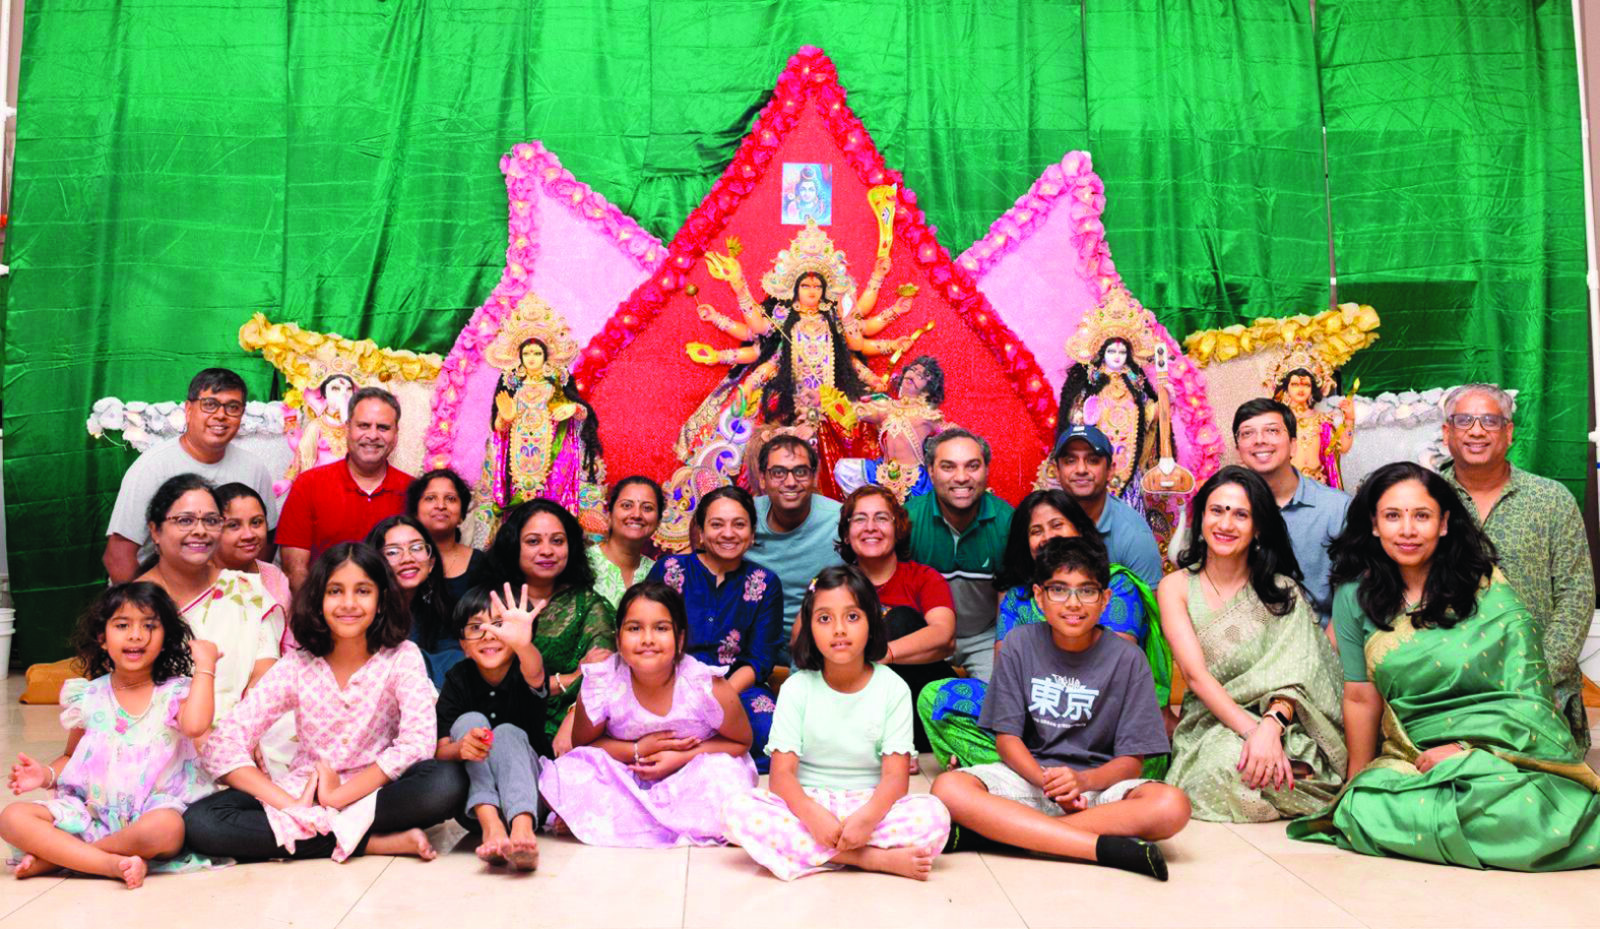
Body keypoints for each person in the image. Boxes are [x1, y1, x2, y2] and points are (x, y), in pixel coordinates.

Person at [1287, 462, 1600, 870]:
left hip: (1497, 755)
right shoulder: (1354, 594)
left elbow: (1527, 692)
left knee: (1520, 803)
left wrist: (1467, 750)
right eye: (1393, 516)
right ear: (1375, 525)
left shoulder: (1485, 588)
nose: (1408, 530)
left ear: (1444, 523)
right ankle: (1485, 834)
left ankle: (1456, 825)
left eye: (1422, 516)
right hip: (1413, 754)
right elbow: (1361, 695)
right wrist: (1354, 780)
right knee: (1362, 806)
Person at [184, 543, 467, 863]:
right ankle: (368, 842)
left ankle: (331, 834)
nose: (348, 603)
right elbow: (223, 742)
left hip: (378, 794)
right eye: (335, 591)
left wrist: (338, 797)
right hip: (305, 794)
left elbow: (418, 743)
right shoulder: (297, 665)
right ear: (318, 599)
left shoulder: (402, 656)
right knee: (201, 822)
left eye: (363, 591)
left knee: (446, 783)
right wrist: (291, 805)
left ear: (381, 600)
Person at [930, 538, 1189, 881]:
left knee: (1172, 805)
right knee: (947, 788)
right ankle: (1098, 848)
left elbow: (1131, 761)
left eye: (1087, 591)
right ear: (1039, 597)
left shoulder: (1129, 659)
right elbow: (1007, 740)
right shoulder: (1019, 643)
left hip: (1097, 786)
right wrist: (1047, 782)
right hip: (1031, 779)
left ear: (1105, 599)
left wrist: (1082, 781)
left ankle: (1009, 835)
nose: (1073, 603)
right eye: (1059, 590)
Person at [722, 566, 951, 881]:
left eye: (852, 617)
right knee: (738, 809)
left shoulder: (893, 687)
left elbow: (895, 778)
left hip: (870, 803)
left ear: (872, 623)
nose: (839, 629)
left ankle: (810, 852)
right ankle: (869, 859)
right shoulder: (797, 687)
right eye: (825, 619)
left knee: (935, 816)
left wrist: (867, 819)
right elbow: (782, 776)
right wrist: (813, 816)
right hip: (808, 803)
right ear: (809, 629)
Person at [918, 489, 1168, 773]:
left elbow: (1111, 681)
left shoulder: (1112, 585)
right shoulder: (1019, 596)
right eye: (1036, 531)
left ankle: (1014, 773)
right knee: (937, 696)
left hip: (1099, 726)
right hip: (1036, 719)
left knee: (1142, 761)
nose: (1048, 536)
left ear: (1080, 530)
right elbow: (1004, 685)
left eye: (1057, 525)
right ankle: (1045, 775)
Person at [1157, 466, 1345, 822]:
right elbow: (1196, 677)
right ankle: (1273, 781)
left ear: (1258, 527)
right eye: (1217, 511)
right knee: (1222, 763)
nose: (1226, 524)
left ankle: (1275, 775)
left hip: (1283, 721)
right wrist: (1252, 732)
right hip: (1211, 720)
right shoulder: (1176, 587)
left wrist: (1270, 728)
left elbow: (1299, 676)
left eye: (1241, 515)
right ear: (1201, 519)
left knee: (1300, 765)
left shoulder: (1282, 591)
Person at [0, 583, 217, 887]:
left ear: (165, 638)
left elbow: (195, 726)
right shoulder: (87, 696)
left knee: (166, 828)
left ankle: (60, 859)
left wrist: (205, 668)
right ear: (102, 638)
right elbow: (72, 756)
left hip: (151, 813)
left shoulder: (176, 691)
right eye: (122, 625)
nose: (136, 635)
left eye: (149, 626)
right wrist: (45, 775)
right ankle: (109, 864)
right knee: (11, 817)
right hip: (91, 812)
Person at [540, 582, 758, 847]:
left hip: (692, 774)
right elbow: (585, 747)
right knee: (572, 770)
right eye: (634, 628)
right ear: (618, 639)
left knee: (725, 775)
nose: (647, 639)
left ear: (680, 640)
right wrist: (637, 749)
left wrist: (681, 757)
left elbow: (741, 742)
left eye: (661, 628)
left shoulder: (704, 684)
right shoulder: (602, 681)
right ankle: (644, 820)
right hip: (628, 774)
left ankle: (603, 821)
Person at [1437, 384, 1594, 749]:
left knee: (1535, 779)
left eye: (1490, 421)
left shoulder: (1551, 499)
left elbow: (1576, 595)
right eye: (1464, 420)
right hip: (1444, 683)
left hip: (1539, 683)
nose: (1477, 431)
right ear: (1447, 432)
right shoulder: (1424, 499)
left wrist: (1536, 675)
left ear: (1509, 432)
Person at [135, 475, 286, 729]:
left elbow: (265, 671)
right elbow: (128, 689)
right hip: (161, 731)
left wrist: (242, 733)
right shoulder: (133, 603)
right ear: (155, 531)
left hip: (244, 726)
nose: (200, 531)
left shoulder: (244, 590)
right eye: (185, 520)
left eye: (211, 520)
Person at [647, 487, 781, 767]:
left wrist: (719, 700)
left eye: (739, 524)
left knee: (767, 732)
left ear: (752, 533)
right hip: (670, 684)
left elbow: (760, 660)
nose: (728, 533)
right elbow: (647, 634)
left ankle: (700, 761)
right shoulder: (669, 570)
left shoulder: (766, 582)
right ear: (701, 531)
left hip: (736, 688)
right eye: (717, 524)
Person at [103, 368, 276, 583]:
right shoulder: (151, 468)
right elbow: (118, 557)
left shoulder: (254, 468)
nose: (220, 415)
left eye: (233, 407)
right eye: (209, 405)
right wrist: (149, 602)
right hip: (157, 590)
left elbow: (268, 539)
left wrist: (246, 589)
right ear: (188, 409)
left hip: (227, 591)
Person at [434, 585, 549, 871]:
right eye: (476, 627)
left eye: (499, 625)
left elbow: (535, 670)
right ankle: (491, 827)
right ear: (462, 643)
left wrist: (523, 644)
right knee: (469, 722)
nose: (488, 634)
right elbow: (440, 750)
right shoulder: (457, 678)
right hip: (474, 809)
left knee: (507, 733)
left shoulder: (525, 669)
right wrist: (462, 748)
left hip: (531, 797)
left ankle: (522, 830)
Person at [489, 499, 616, 752]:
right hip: (499, 724)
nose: (547, 551)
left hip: (570, 732)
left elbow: (603, 673)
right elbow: (486, 681)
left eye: (557, 541)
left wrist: (573, 717)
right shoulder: (491, 602)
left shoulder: (588, 606)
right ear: (514, 545)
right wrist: (569, 678)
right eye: (533, 541)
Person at [835, 485, 955, 748]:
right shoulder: (834, 584)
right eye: (860, 519)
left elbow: (944, 634)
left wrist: (885, 654)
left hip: (919, 701)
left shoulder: (923, 578)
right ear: (846, 533)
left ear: (897, 528)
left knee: (900, 620)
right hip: (857, 703)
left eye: (881, 518)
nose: (870, 527)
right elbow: (803, 638)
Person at [276, 386, 412, 594]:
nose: (372, 435)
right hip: (324, 608)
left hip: (393, 610)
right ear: (347, 428)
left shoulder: (412, 491)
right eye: (363, 425)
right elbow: (295, 571)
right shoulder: (308, 485)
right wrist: (323, 612)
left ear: (396, 434)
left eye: (383, 428)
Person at [906, 428, 1014, 682]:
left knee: (1000, 696)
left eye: (972, 466)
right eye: (948, 467)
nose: (962, 477)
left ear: (986, 470)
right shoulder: (908, 519)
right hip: (927, 634)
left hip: (984, 637)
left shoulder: (1007, 522)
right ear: (931, 471)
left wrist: (1004, 653)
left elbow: (1010, 602)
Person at [1232, 399, 1350, 623]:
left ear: (1294, 445)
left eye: (1272, 430)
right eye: (1247, 433)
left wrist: (1326, 644)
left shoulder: (1336, 509)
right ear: (1238, 450)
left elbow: (1353, 597)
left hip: (1320, 635)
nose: (1260, 440)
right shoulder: (1226, 512)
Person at [747, 435, 843, 661]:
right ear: (762, 478)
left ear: (814, 476)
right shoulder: (742, 519)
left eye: (800, 471)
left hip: (821, 649)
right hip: (749, 649)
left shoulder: (841, 521)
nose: (790, 482)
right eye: (778, 472)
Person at [1051, 425, 1163, 587]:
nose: (1081, 469)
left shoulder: (1134, 535)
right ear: (1056, 471)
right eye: (1070, 461)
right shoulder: (1044, 524)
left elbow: (1149, 601)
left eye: (1093, 460)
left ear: (1110, 470)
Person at [365, 515, 460, 688]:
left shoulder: (440, 607)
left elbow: (455, 660)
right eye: (393, 552)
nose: (407, 558)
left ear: (431, 563)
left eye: (416, 548)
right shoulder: (365, 610)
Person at [1267, 344, 1355, 488]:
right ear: (1286, 387)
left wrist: (1350, 419)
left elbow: (1343, 447)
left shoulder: (1322, 419)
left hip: (1319, 485)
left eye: (1306, 385)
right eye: (1295, 384)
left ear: (1313, 388)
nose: (1301, 389)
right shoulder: (1278, 421)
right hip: (1288, 487)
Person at [407, 468, 489, 606]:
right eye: (430, 498)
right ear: (415, 513)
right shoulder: (401, 559)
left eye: (450, 499)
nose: (441, 506)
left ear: (462, 515)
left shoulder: (480, 563)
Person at [213, 483, 293, 614]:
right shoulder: (194, 582)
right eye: (233, 525)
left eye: (256, 522)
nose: (249, 535)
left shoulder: (274, 576)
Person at [587, 476, 662, 607]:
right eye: (627, 506)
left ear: (658, 521)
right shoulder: (583, 563)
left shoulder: (659, 572)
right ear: (609, 514)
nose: (636, 515)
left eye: (647, 508)